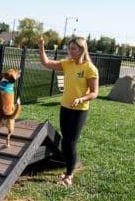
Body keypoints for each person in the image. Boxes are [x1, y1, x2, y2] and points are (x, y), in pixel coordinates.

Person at [38, 37, 99, 186]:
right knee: (65, 142)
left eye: (73, 49)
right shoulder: (67, 64)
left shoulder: (90, 68)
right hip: (65, 107)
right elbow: (46, 63)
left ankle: (69, 176)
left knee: (71, 143)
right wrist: (41, 46)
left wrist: (81, 99)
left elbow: (94, 92)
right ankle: (67, 170)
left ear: (82, 50)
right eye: (69, 48)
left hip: (79, 110)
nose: (70, 51)